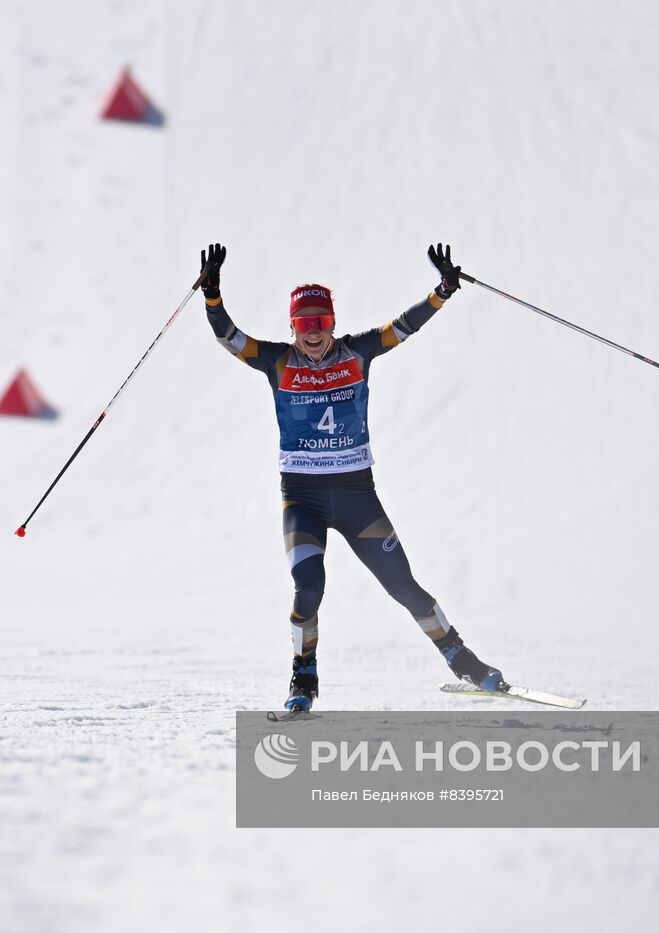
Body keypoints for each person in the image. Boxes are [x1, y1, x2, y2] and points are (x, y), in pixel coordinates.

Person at [200, 242, 503, 712]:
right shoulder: (278, 362)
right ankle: (303, 680)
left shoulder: (357, 353)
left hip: (357, 495)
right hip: (303, 498)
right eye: (304, 324)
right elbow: (231, 338)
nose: (314, 333)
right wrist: (213, 296)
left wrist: (442, 291)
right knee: (309, 587)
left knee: (404, 587)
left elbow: (403, 327)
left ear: (333, 324)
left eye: (321, 323)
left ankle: (462, 658)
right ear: (293, 327)